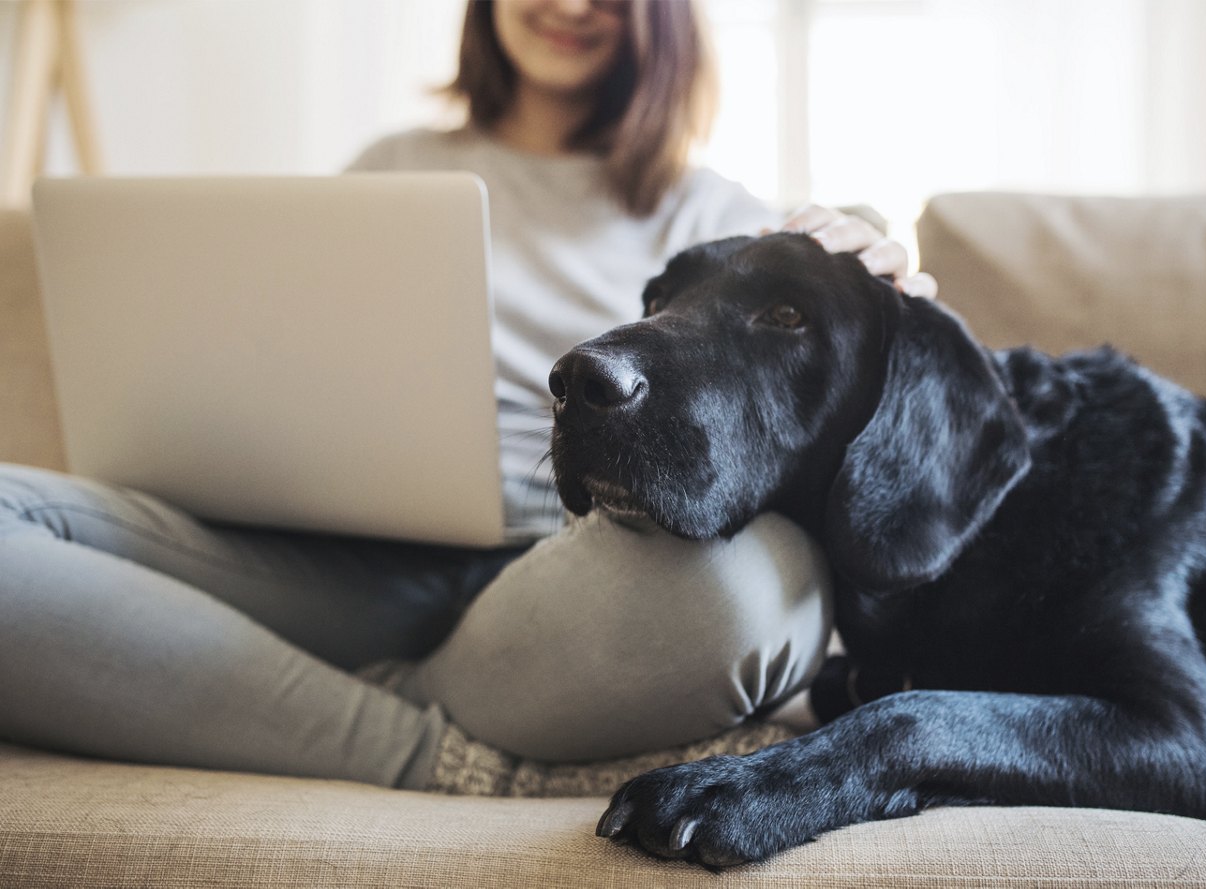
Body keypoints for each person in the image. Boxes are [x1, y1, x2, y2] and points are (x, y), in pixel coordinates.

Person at [0, 0, 935, 789]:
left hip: (570, 585)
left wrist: (890, 286)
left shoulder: (718, 216)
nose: (572, 6)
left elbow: (864, 384)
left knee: (750, 592)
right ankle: (428, 748)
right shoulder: (391, 169)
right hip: (336, 563)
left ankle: (254, 690)